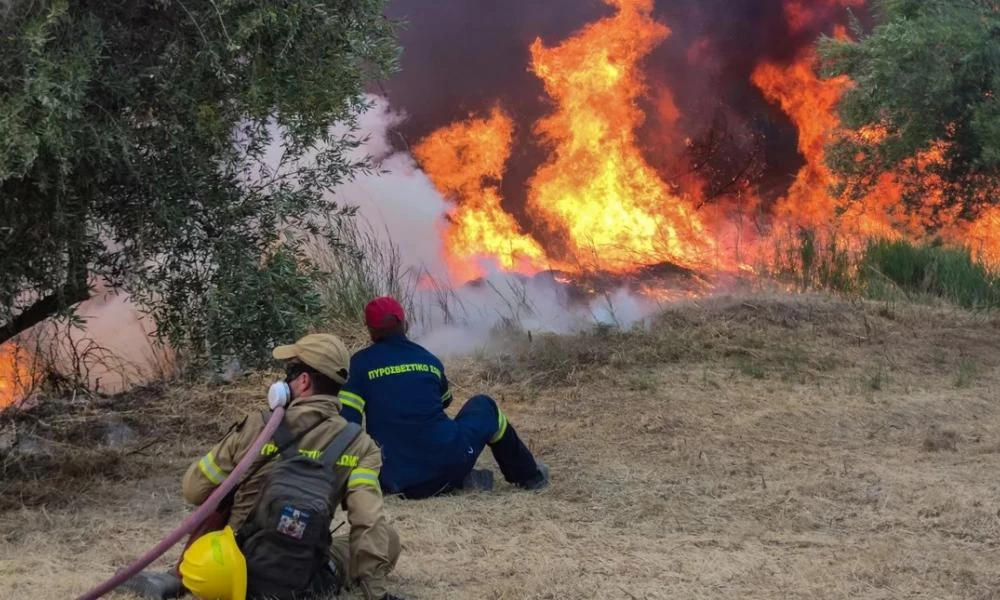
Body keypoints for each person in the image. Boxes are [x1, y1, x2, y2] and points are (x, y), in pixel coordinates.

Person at [123, 334, 403, 600]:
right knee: (386, 538)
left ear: (303, 382)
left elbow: (194, 490)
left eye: (290, 373)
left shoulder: (257, 425)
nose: (285, 381)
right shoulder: (360, 444)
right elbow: (368, 520)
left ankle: (182, 574)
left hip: (230, 567)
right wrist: (375, 592)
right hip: (305, 574)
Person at [337, 296, 549, 499]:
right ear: (405, 323)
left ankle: (461, 479)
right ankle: (530, 476)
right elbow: (445, 400)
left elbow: (348, 424)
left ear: (371, 331)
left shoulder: (358, 365)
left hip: (393, 477)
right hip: (447, 464)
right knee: (485, 406)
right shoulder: (428, 359)